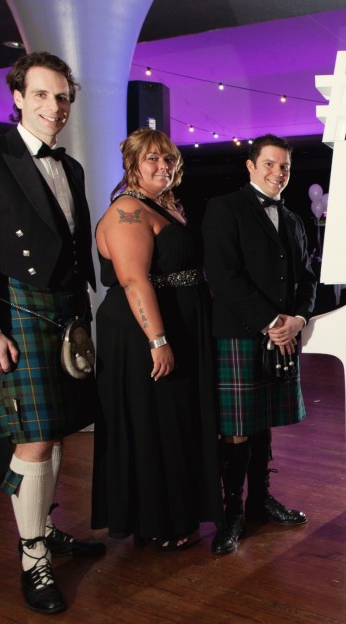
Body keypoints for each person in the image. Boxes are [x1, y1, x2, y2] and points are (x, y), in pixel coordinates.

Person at [0, 52, 104, 615]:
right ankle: (32, 554)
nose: (53, 107)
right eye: (41, 94)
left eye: (62, 96)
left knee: (55, 432)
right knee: (32, 440)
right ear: (17, 96)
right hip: (15, 310)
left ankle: (44, 526)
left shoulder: (72, 167)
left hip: (63, 310)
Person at [90, 128, 221, 552]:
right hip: (144, 333)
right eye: (152, 160)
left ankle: (177, 513)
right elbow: (133, 280)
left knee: (177, 423)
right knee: (156, 425)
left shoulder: (166, 206)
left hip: (179, 326)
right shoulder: (128, 210)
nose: (162, 166)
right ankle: (158, 520)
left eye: (168, 159)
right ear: (132, 164)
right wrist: (158, 339)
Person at [203, 134, 317, 555]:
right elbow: (223, 275)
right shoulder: (224, 208)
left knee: (263, 420)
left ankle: (259, 500)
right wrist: (272, 322)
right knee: (236, 429)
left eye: (284, 167)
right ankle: (231, 511)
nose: (277, 173)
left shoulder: (293, 219)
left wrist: (298, 319)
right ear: (251, 166)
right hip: (241, 333)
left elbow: (308, 278)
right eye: (269, 164)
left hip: (282, 334)